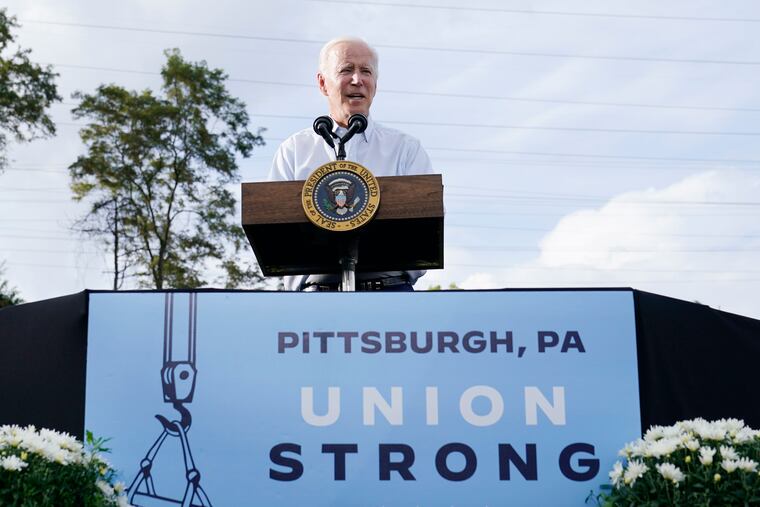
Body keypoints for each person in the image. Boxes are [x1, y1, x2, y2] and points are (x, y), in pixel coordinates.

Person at [268, 36, 434, 292]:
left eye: (365, 71)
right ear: (323, 83)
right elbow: (274, 235)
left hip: (391, 297)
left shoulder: (405, 149)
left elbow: (426, 236)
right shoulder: (294, 151)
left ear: (375, 84)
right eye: (346, 70)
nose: (357, 80)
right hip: (315, 302)